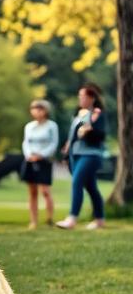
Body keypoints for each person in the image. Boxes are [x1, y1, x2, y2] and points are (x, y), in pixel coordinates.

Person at [56, 83, 108, 230]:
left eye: (83, 96)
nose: (80, 98)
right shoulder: (81, 113)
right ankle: (100, 219)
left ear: (91, 97)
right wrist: (67, 150)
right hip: (76, 154)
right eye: (79, 96)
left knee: (77, 182)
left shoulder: (97, 113)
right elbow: (74, 135)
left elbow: (99, 135)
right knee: (91, 187)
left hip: (91, 155)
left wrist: (88, 131)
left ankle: (72, 218)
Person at [20, 99, 58, 229]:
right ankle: (33, 221)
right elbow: (26, 143)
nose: (36, 111)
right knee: (32, 192)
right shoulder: (29, 126)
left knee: (45, 191)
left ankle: (49, 219)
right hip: (30, 159)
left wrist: (41, 155)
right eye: (34, 108)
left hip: (44, 161)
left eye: (39, 108)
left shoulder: (51, 126)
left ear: (45, 111)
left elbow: (53, 143)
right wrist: (29, 155)